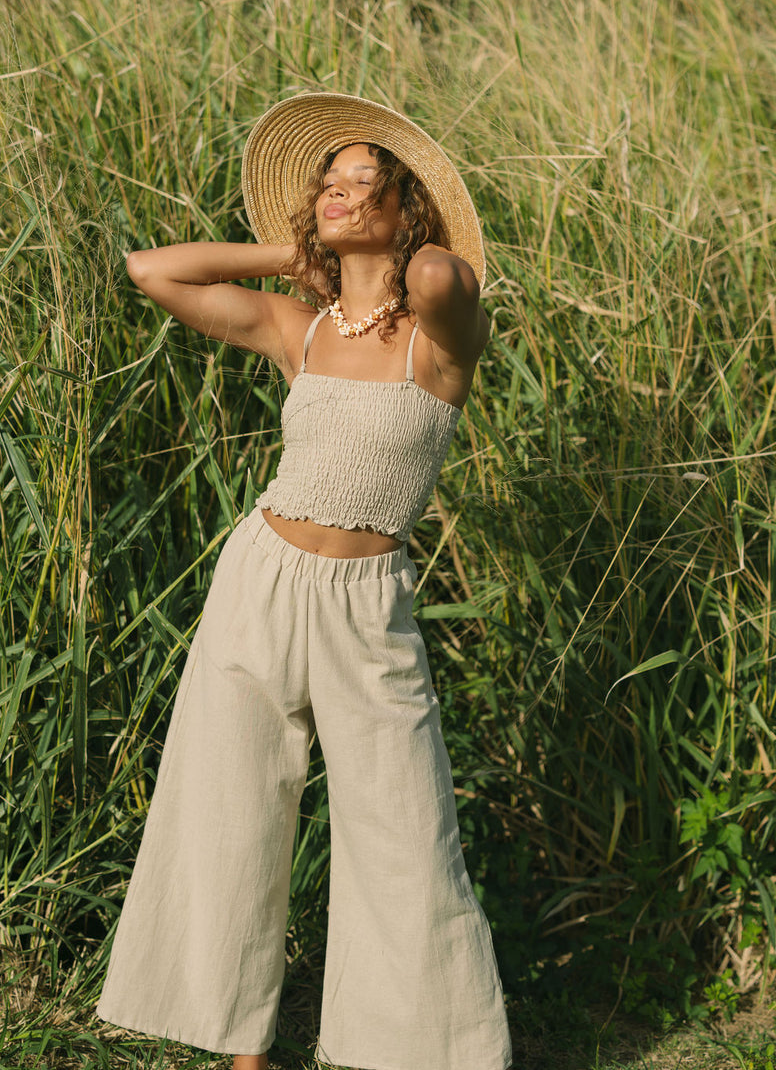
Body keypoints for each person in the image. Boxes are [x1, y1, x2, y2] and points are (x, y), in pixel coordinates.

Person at [95, 93, 512, 1070]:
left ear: (407, 210)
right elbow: (150, 270)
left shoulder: (439, 337)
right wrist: (291, 257)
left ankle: (417, 1046)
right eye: (328, 180)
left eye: (365, 180)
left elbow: (447, 274)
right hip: (261, 577)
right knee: (229, 805)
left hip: (367, 603)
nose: (339, 190)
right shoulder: (299, 327)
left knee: (403, 830)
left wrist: (407, 238)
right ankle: (239, 1041)